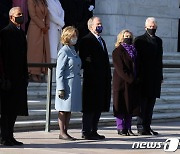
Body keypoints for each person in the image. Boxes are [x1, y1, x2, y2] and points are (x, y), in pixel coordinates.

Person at [79, 16, 111, 140]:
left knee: (98, 106)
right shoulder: (86, 40)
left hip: (102, 79)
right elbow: (86, 59)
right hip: (92, 79)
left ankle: (94, 130)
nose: (100, 26)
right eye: (98, 24)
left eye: (101, 23)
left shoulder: (101, 40)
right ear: (91, 26)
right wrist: (93, 72)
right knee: (89, 107)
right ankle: (86, 131)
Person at [0, 7, 28, 146]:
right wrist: (4, 77)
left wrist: (25, 75)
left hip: (19, 77)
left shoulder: (21, 33)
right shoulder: (5, 33)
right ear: (11, 17)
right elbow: (3, 57)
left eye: (22, 14)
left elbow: (23, 57)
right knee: (6, 110)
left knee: (14, 109)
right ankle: (4, 137)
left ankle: (10, 135)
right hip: (8, 77)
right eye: (19, 14)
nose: (21, 16)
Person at [134, 17, 163, 135]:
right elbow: (136, 60)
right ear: (145, 27)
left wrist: (160, 75)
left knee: (151, 103)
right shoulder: (139, 40)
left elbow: (159, 60)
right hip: (143, 76)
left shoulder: (159, 40)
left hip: (154, 77)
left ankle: (147, 125)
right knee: (143, 103)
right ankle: (141, 126)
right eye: (150, 27)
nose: (152, 28)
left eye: (154, 26)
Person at [55, 26, 82, 141]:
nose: (74, 38)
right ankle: (62, 132)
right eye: (72, 36)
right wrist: (60, 88)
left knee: (69, 109)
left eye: (75, 36)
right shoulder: (64, 51)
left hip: (74, 83)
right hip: (66, 84)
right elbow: (59, 71)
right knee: (63, 109)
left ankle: (66, 131)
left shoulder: (73, 50)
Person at [112, 30, 139, 136]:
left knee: (130, 105)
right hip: (121, 82)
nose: (128, 38)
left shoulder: (134, 50)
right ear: (121, 38)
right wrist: (130, 79)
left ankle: (128, 127)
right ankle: (120, 127)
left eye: (129, 36)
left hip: (132, 82)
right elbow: (120, 68)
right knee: (120, 105)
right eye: (126, 36)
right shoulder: (118, 51)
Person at [27, 0, 50, 82]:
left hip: (44, 30)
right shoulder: (31, 1)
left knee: (42, 51)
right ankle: (33, 72)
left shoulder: (43, 1)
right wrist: (42, 26)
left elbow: (47, 14)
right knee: (35, 51)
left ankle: (40, 72)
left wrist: (47, 25)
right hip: (35, 28)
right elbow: (33, 15)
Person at [46, 0, 65, 82]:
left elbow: (62, 12)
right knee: (52, 52)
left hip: (59, 28)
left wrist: (61, 22)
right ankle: (51, 77)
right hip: (52, 28)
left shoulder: (57, 1)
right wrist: (61, 23)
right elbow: (51, 15)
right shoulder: (47, 1)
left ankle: (57, 76)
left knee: (58, 52)